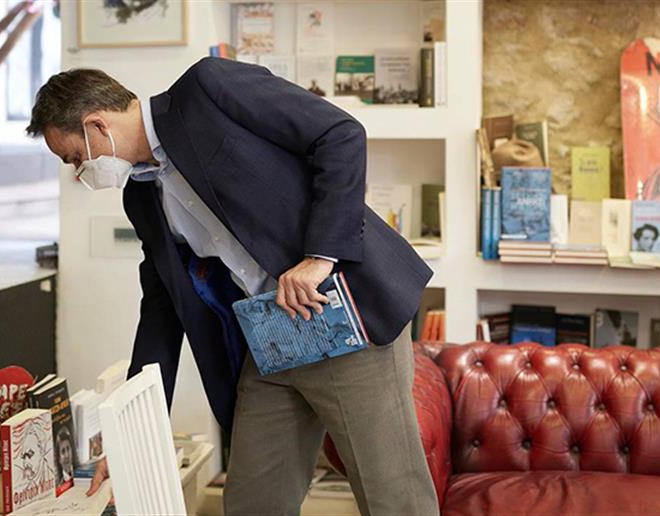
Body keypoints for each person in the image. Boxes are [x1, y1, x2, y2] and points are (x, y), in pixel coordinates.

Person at [26, 58, 438, 515]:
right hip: (270, 340)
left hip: (341, 316)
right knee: (250, 502)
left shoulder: (207, 89)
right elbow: (161, 310)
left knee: (393, 499)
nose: (79, 172)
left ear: (96, 125)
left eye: (75, 158)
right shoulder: (140, 197)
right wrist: (129, 437)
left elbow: (340, 134)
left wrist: (319, 257)